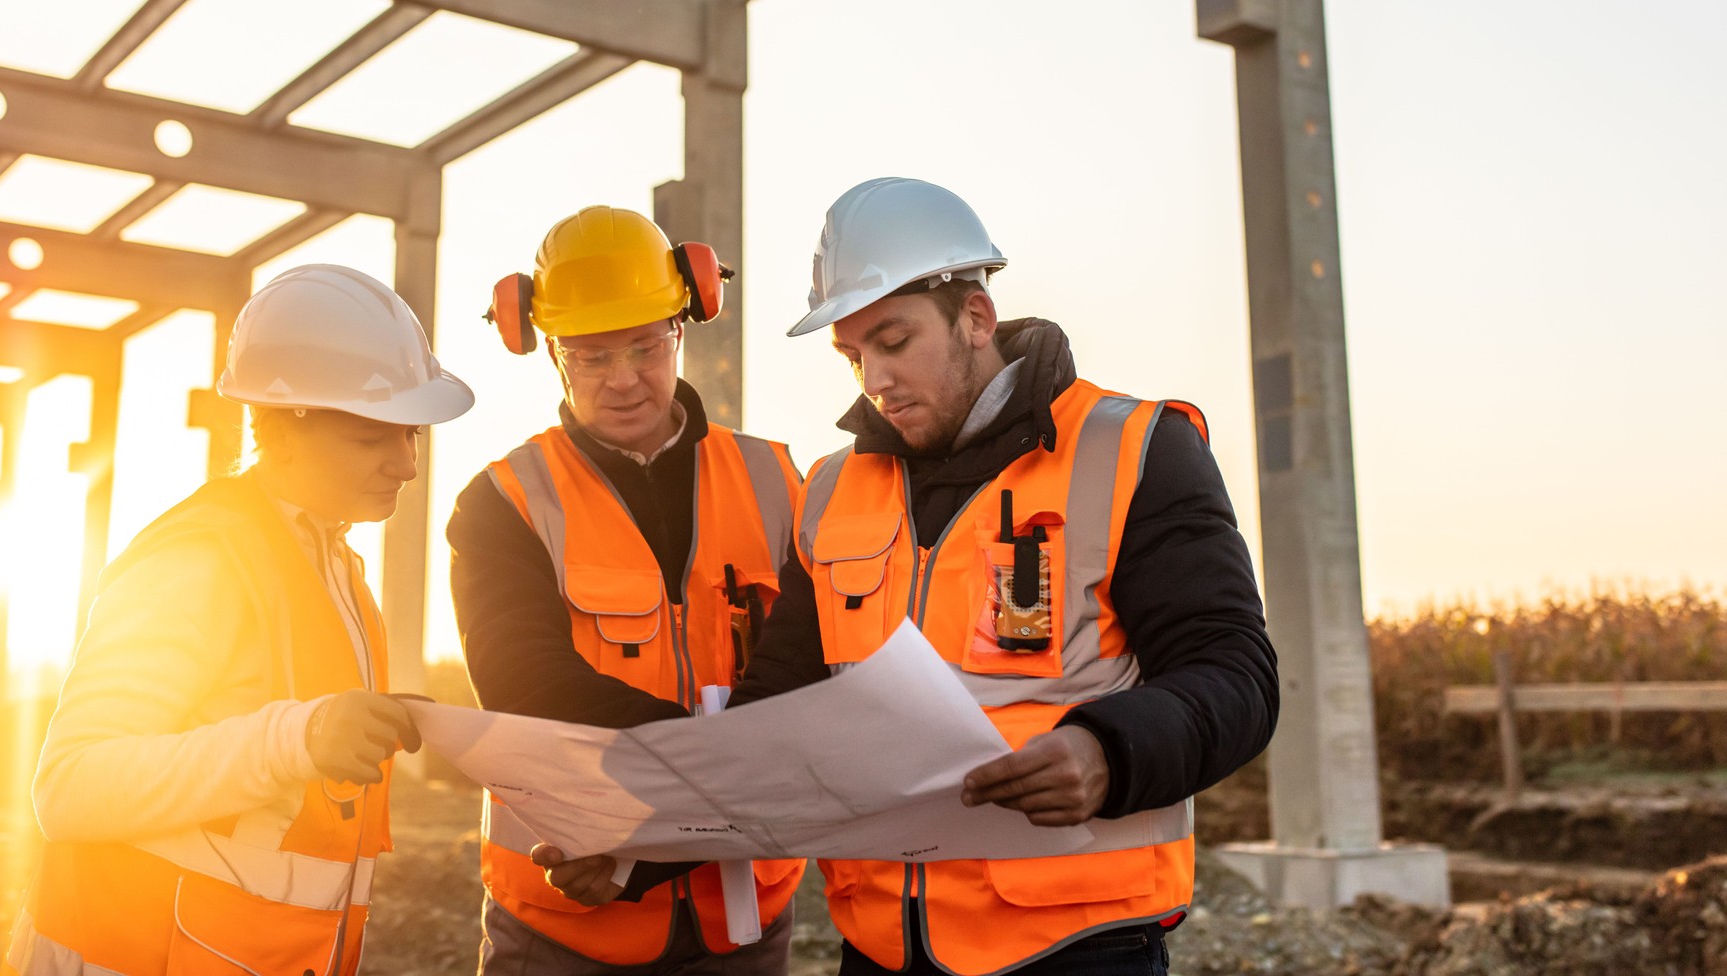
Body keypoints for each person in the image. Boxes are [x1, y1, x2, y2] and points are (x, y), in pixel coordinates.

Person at [547, 178, 1279, 975]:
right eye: (853, 355)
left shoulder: (1134, 451)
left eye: (892, 343)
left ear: (974, 317)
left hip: (1077, 947)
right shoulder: (830, 493)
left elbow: (1237, 676)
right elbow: (771, 723)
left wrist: (1110, 752)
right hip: (879, 949)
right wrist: (639, 849)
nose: (874, 380)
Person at [0, 263, 474, 976]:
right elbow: (70, 787)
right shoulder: (201, 557)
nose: (406, 465)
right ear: (284, 426)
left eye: (409, 435)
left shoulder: (332, 564)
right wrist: (301, 738)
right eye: (372, 438)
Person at [448, 205, 806, 974]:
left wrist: (667, 836)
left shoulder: (778, 483)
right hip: (563, 922)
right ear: (548, 352)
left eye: (645, 346)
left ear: (685, 323)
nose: (623, 379)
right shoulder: (504, 502)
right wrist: (720, 781)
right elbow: (529, 687)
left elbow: (811, 676)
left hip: (742, 917)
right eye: (590, 355)